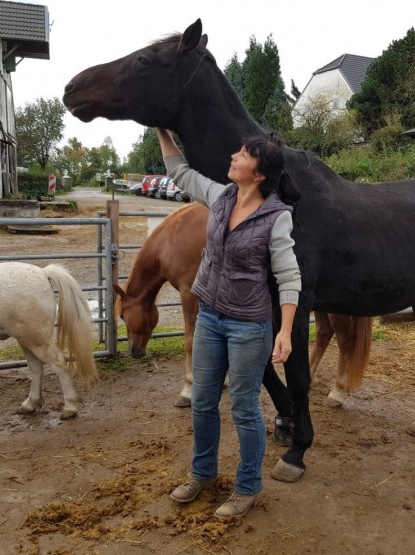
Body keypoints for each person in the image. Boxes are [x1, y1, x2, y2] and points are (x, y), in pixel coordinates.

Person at [157, 128, 301, 519]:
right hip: (209, 318)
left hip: (249, 327)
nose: (234, 156)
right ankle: (202, 474)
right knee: (203, 403)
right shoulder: (221, 197)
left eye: (243, 154)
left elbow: (289, 278)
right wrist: (161, 128)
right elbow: (180, 172)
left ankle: (247, 487)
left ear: (259, 173)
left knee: (243, 409)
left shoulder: (276, 218)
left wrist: (285, 331)